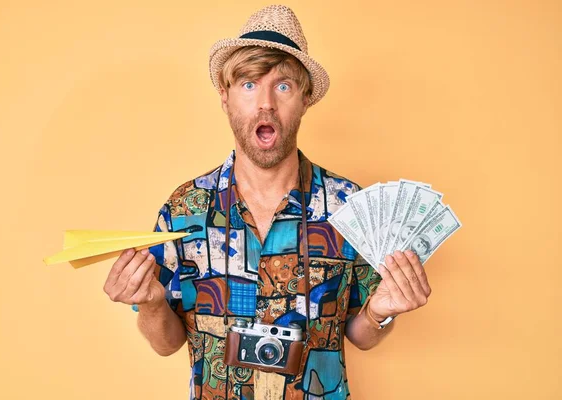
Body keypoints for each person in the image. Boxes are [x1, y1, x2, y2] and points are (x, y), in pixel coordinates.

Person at [103, 5, 432, 399]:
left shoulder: (349, 207)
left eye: (283, 86)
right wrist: (153, 304)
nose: (265, 104)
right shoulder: (184, 208)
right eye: (248, 84)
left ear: (305, 98)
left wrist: (381, 313)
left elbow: (362, 337)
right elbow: (165, 344)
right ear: (224, 97)